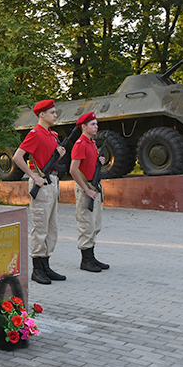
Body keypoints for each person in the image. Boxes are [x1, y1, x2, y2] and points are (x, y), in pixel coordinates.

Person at [12, 100, 67, 285]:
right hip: (41, 181)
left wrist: (58, 154)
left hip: (52, 181)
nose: (55, 115)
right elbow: (18, 157)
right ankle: (37, 269)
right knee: (40, 227)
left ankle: (46, 266)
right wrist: (33, 177)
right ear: (41, 114)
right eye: (52, 112)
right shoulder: (35, 134)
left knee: (52, 228)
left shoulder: (53, 135)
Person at [69, 112, 109, 272]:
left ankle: (91, 257)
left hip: (94, 187)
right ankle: (86, 260)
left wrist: (100, 162)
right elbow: (73, 169)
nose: (96, 127)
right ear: (83, 127)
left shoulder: (92, 143)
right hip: (86, 188)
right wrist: (86, 189)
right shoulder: (80, 143)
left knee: (95, 223)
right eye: (93, 124)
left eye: (96, 124)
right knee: (86, 224)